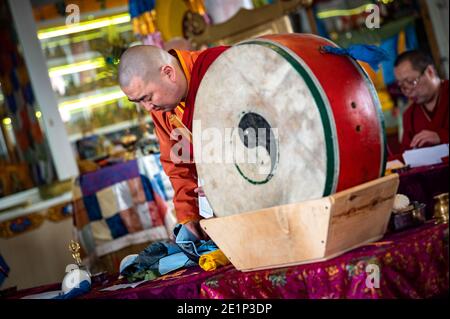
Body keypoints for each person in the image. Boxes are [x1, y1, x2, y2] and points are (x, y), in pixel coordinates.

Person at [118, 44, 229, 239]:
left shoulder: (217, 68)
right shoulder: (165, 111)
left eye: (148, 97)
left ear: (168, 73)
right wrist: (188, 215)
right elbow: (178, 165)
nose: (147, 108)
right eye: (139, 102)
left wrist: (226, 177)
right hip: (222, 208)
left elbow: (261, 128)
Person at [393, 50, 448, 152]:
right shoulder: (409, 115)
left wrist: (441, 137)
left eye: (411, 82)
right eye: (401, 86)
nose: (407, 91)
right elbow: (406, 154)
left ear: (430, 72)